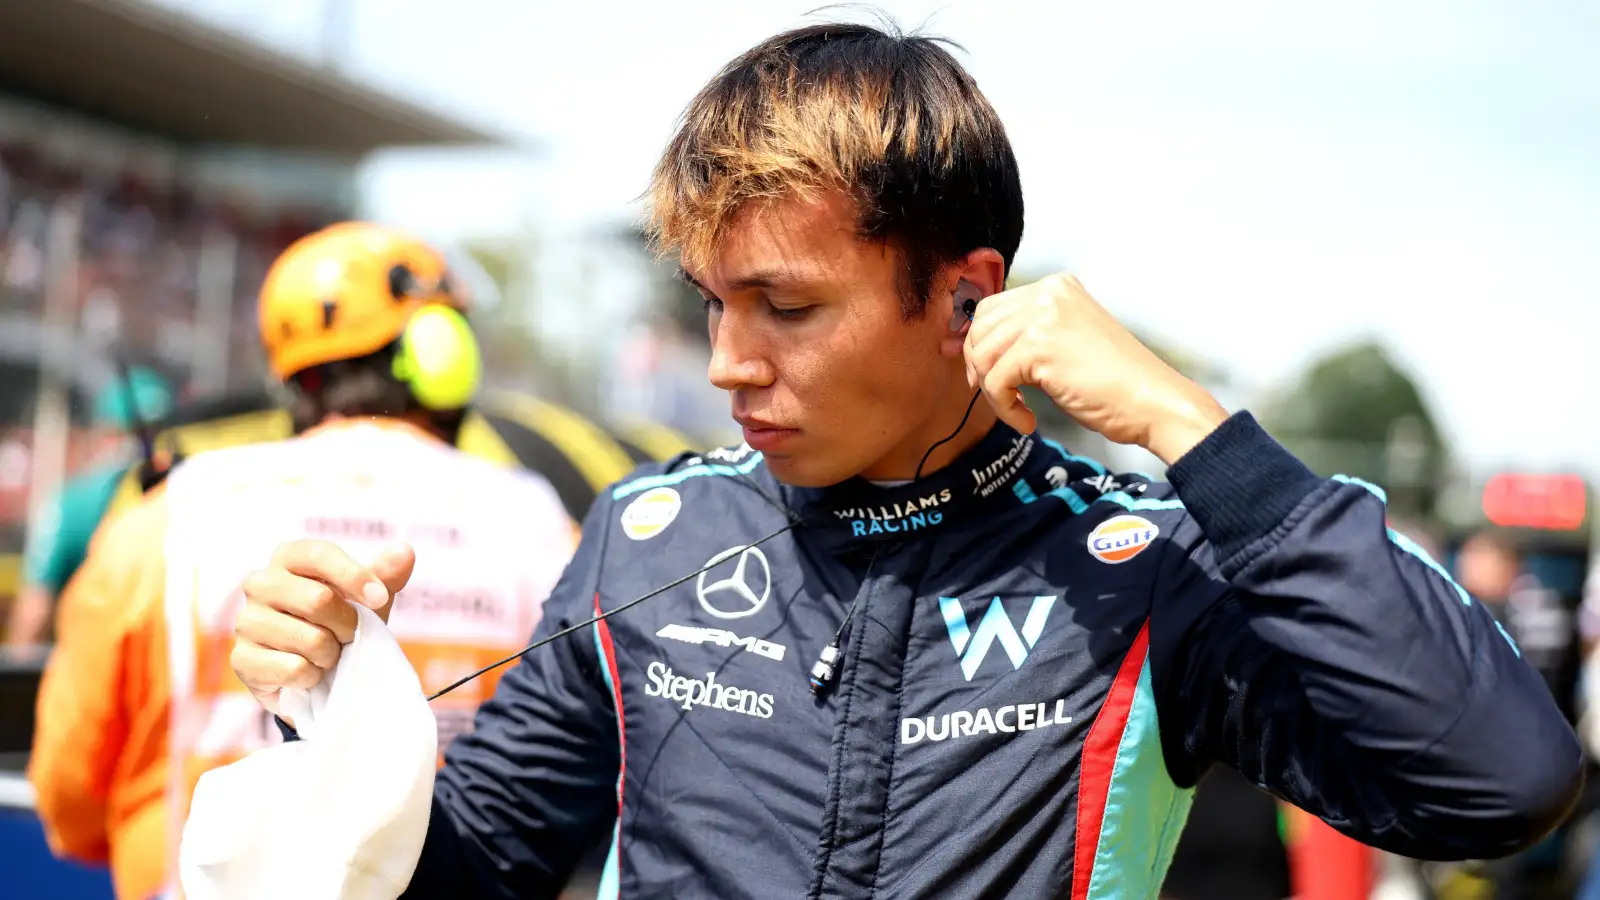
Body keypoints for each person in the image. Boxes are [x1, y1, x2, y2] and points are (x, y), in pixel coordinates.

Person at [230, 22, 1583, 899]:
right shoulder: (652, 536)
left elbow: (1501, 783)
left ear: (963, 296)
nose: (728, 361)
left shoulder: (1140, 562)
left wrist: (1198, 433)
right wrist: (335, 711)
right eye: (715, 300)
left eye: (788, 307)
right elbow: (461, 873)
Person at [26, 223, 578, 900]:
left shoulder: (167, 518)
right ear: (445, 356)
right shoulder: (542, 524)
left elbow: (67, 801)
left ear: (292, 374)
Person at [5, 365, 172, 647]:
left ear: (105, 432)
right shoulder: (196, 495)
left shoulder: (72, 503)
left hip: (95, 669)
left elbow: (34, 612)